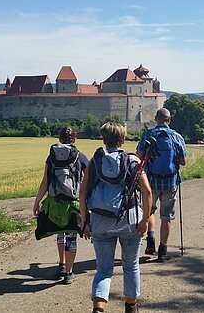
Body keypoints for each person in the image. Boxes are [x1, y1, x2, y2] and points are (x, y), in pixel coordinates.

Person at [80, 122, 152, 313]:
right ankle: (130, 307)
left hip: (100, 221)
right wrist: (145, 220)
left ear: (103, 139)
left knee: (103, 269)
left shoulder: (95, 161)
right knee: (131, 266)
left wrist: (85, 221)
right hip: (129, 221)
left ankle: (98, 309)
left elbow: (83, 192)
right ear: (122, 140)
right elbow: (147, 191)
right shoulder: (133, 161)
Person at [33, 126, 89, 284]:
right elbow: (89, 179)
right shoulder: (80, 156)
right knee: (71, 236)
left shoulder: (51, 157)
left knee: (60, 233)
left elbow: (45, 181)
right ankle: (69, 273)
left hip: (54, 202)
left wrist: (37, 201)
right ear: (74, 139)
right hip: (72, 203)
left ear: (59, 139)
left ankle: (61, 264)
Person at [136, 107, 187, 261]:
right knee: (166, 217)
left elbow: (139, 157)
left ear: (155, 119)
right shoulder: (176, 137)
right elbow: (183, 161)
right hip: (170, 182)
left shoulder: (148, 135)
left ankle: (150, 239)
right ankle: (162, 250)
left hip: (150, 181)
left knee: (149, 210)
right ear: (169, 120)